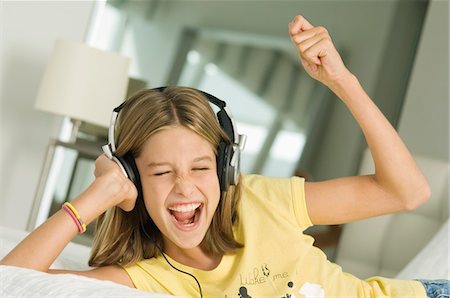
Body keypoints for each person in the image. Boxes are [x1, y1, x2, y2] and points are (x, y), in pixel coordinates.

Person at [1, 15, 449, 298]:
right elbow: (13, 282)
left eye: (200, 167)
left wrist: (343, 83)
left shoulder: (259, 201)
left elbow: (407, 192)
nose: (184, 188)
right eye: (159, 172)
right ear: (135, 180)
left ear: (222, 168)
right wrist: (101, 191)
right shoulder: (149, 278)